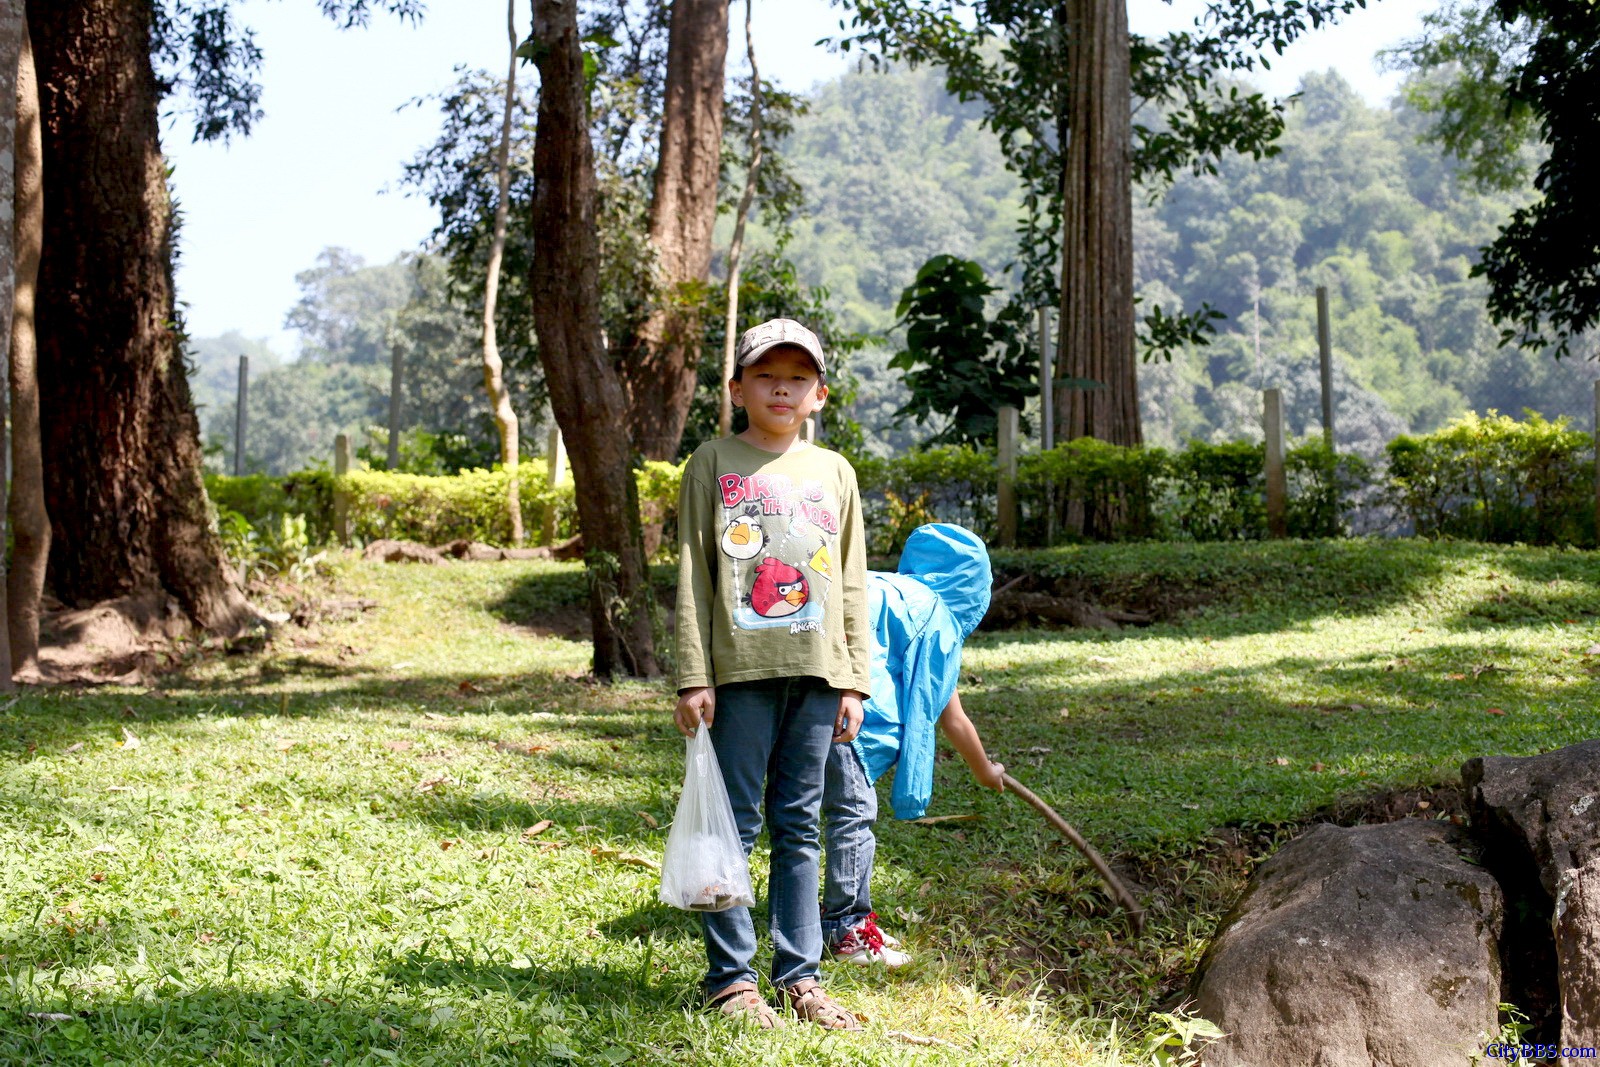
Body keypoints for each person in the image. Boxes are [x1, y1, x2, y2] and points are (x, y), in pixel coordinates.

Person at [673, 317, 872, 1031]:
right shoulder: (713, 461)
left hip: (818, 676)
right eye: (765, 375)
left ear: (818, 393)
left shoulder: (835, 473)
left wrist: (855, 679)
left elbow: (852, 580)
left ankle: (800, 976)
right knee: (735, 824)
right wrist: (693, 675)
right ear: (737, 389)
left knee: (800, 825)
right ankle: (731, 980)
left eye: (796, 377)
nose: (780, 387)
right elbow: (693, 577)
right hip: (740, 674)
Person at [821, 523, 1005, 968]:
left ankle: (808, 922)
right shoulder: (938, 621)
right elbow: (953, 719)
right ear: (973, 589)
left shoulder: (892, 589)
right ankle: (846, 930)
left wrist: (984, 769)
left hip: (804, 694)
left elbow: (948, 707)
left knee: (799, 815)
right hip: (852, 719)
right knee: (852, 818)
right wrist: (985, 773)